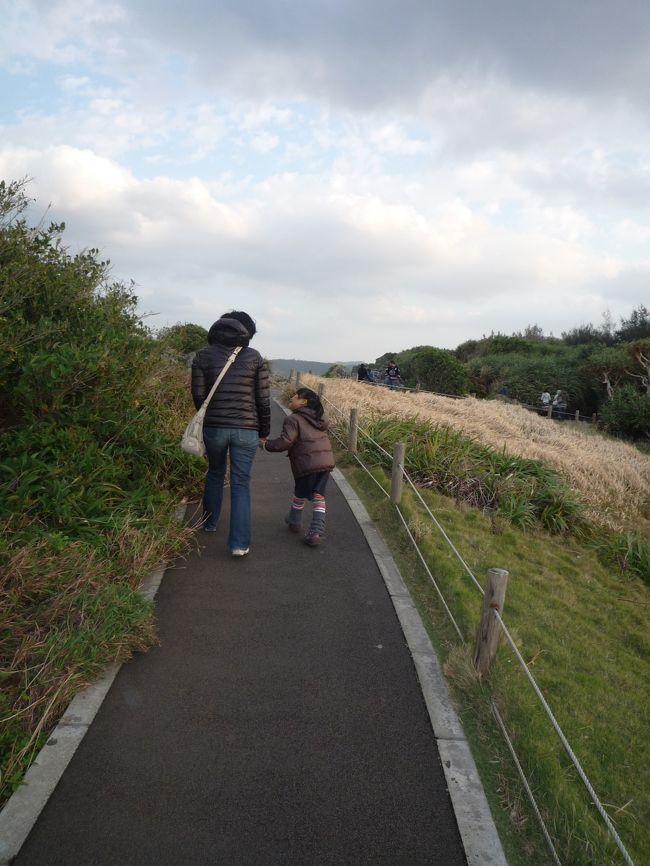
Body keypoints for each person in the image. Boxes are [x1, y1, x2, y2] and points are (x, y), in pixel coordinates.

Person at [191, 311, 270, 556]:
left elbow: (198, 396)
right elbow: (263, 400)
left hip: (214, 428)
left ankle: (210, 523)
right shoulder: (254, 357)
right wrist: (264, 431)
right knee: (240, 483)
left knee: (215, 472)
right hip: (247, 429)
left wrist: (210, 419)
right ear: (245, 333)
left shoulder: (202, 356)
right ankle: (238, 544)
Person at [263, 387, 335, 547]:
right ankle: (296, 520)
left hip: (307, 462)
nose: (291, 399)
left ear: (303, 402)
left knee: (305, 491)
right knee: (316, 495)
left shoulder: (293, 419)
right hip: (325, 461)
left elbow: (286, 442)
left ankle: (313, 531)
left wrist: (266, 444)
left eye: (294, 397)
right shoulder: (319, 418)